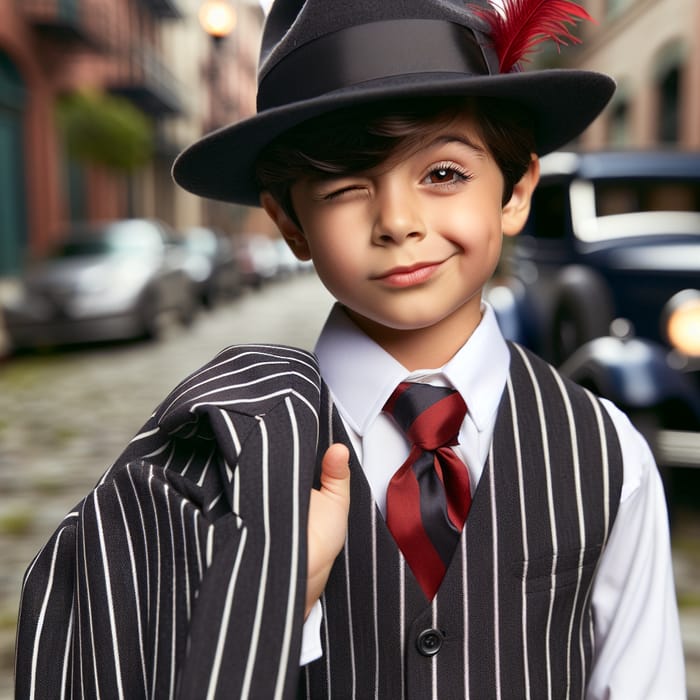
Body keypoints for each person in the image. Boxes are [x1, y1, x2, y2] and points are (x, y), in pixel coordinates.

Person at [16, 0, 685, 698]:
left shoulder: (608, 455)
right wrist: (272, 602)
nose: (397, 222)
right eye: (344, 187)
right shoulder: (217, 458)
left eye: (444, 174)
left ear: (515, 190)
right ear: (290, 223)